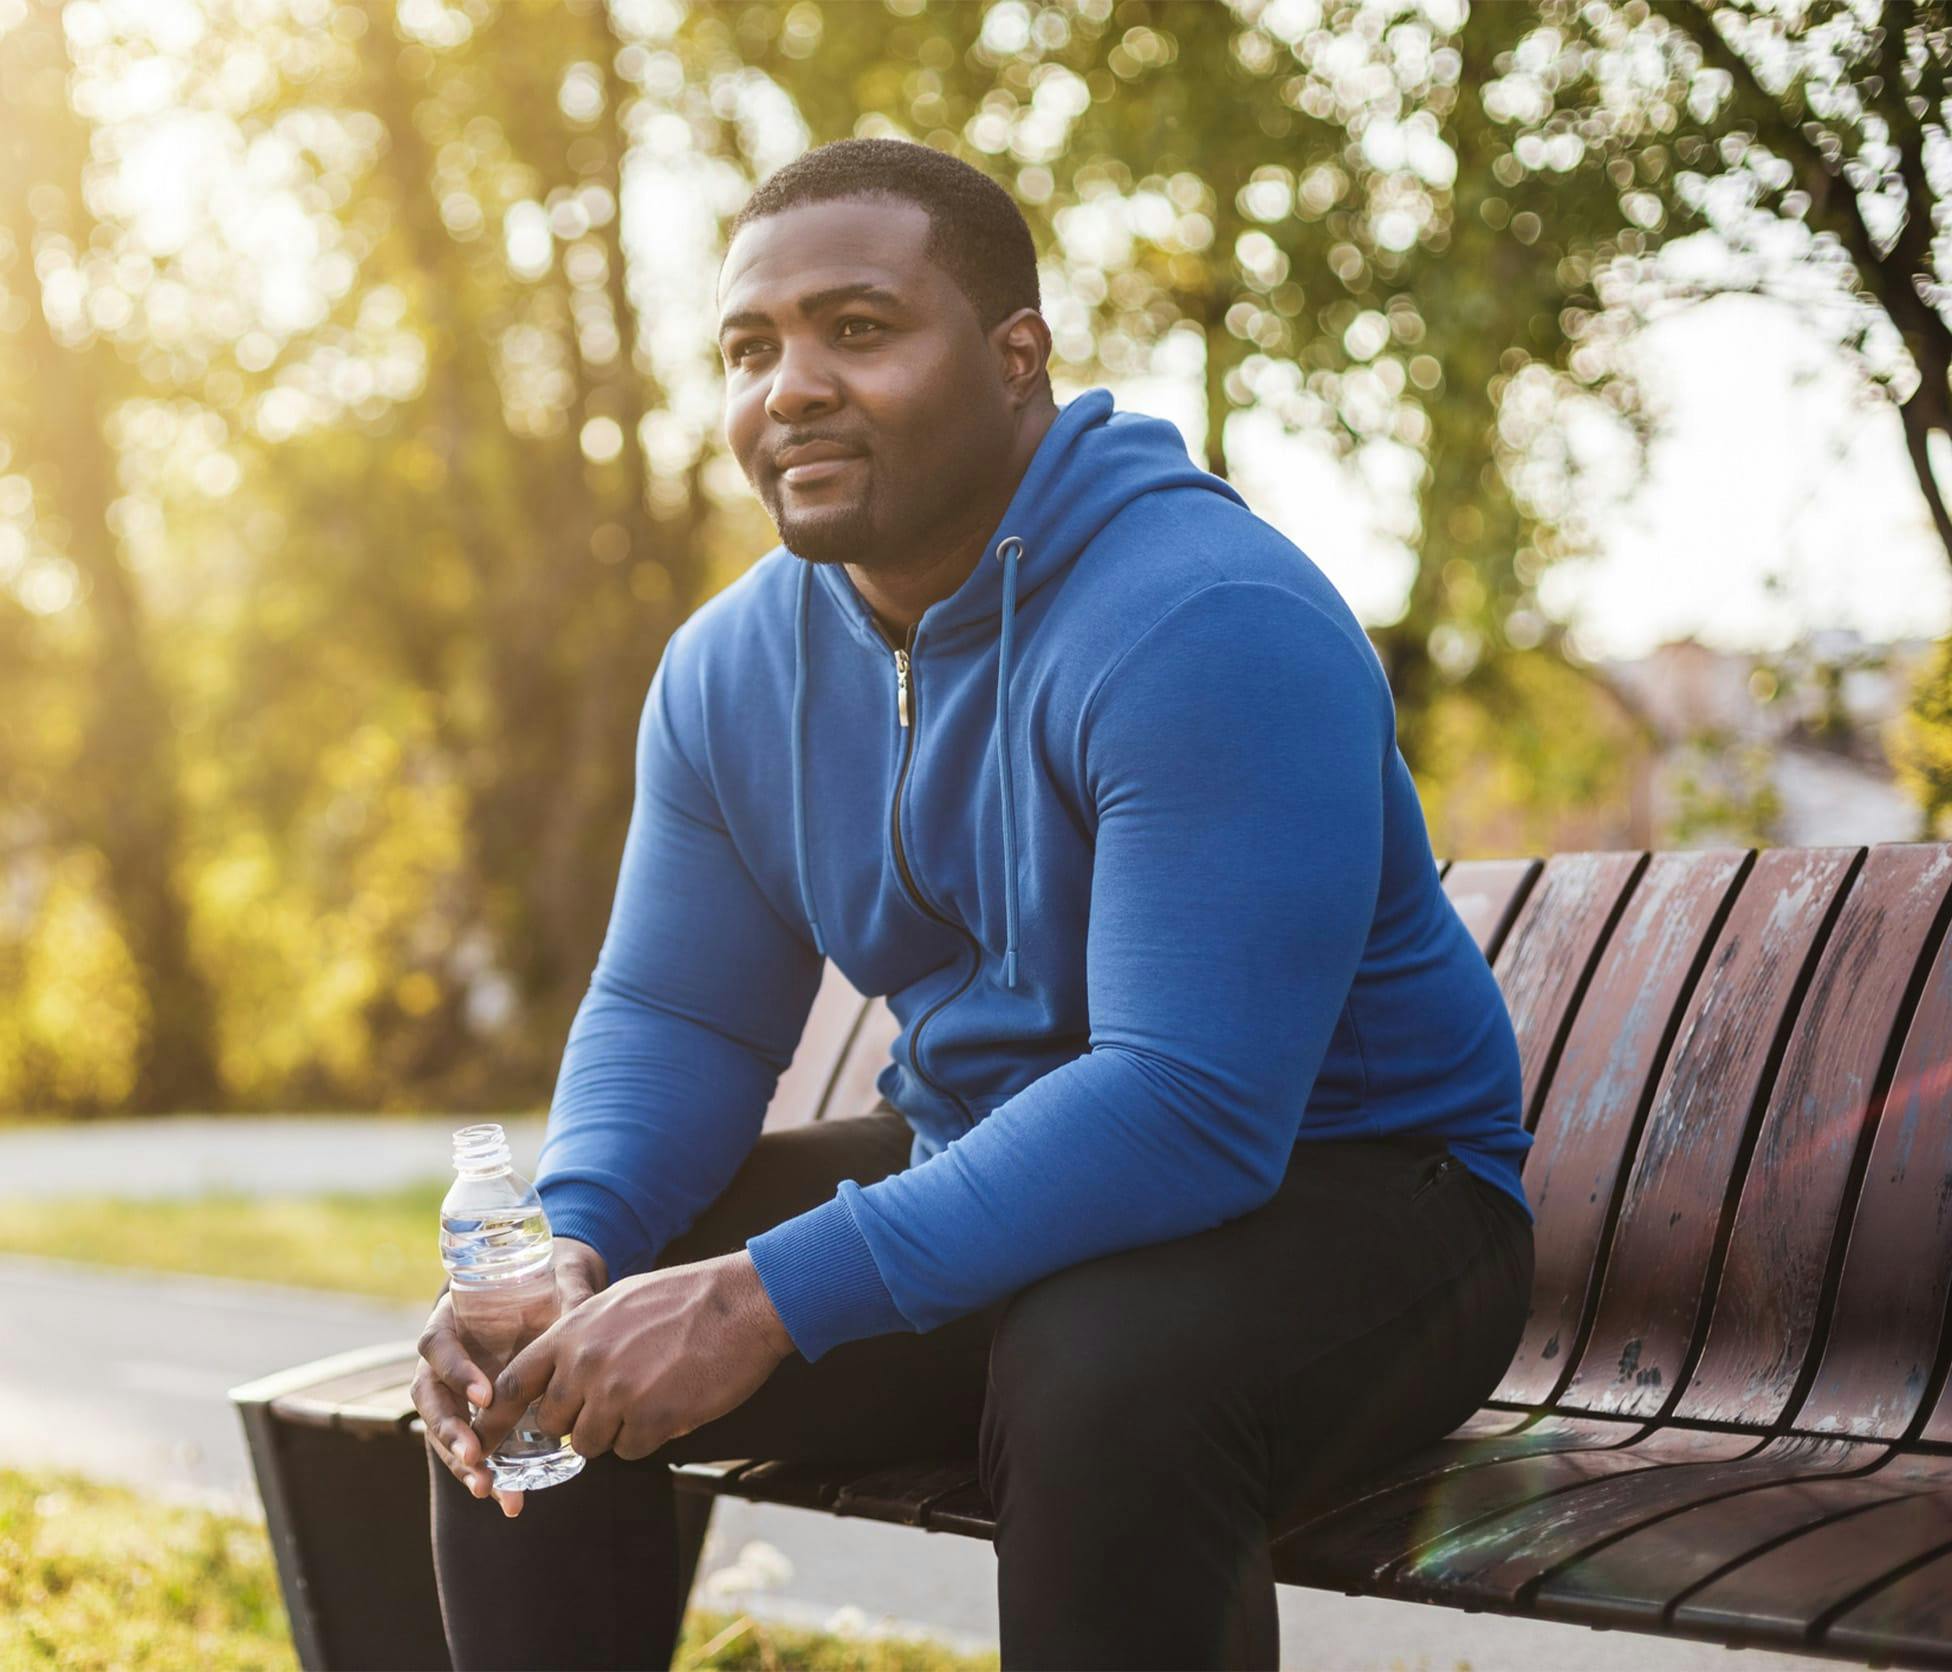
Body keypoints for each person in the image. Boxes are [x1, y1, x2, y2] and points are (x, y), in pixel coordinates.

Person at [412, 136, 1536, 1672]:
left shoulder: (1208, 619)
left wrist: (762, 1301)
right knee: (523, 1351)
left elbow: (1191, 1106)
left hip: (1360, 1197)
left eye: (857, 330)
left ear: (1018, 360)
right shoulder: (731, 668)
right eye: (752, 347)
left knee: (1105, 1374)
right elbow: (677, 1012)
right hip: (997, 1169)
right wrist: (581, 1240)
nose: (790, 385)